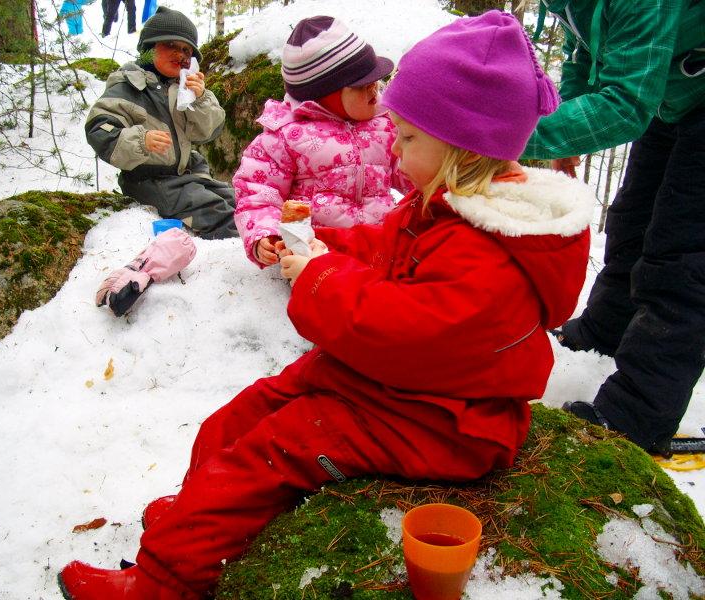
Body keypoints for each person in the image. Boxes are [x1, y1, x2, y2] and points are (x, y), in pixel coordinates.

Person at [58, 12, 593, 599]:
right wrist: (320, 241)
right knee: (239, 417)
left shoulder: (489, 249)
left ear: (462, 148)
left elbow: (400, 328)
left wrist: (318, 276)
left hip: (444, 420)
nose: (395, 145)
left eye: (409, 138)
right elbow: (383, 245)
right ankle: (197, 515)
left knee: (270, 448)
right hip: (402, 389)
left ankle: (166, 581)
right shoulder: (449, 202)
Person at [522, 0, 705, 455]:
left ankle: (636, 417)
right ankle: (603, 333)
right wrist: (570, 119)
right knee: (631, 224)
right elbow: (585, 53)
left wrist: (505, 134)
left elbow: (625, 104)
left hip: (666, 96)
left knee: (681, 255)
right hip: (671, 97)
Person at [232, 15, 410, 268]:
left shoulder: (385, 125)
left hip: (379, 243)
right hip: (317, 251)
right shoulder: (286, 135)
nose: (376, 90)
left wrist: (446, 178)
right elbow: (257, 194)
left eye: (376, 82)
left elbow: (411, 171)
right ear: (327, 94)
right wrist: (265, 234)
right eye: (364, 85)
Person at [86, 7, 238, 240]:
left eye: (186, 50)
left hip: (188, 174)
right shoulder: (129, 87)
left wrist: (200, 100)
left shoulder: (184, 88)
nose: (180, 55)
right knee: (215, 211)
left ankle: (263, 230)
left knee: (236, 199)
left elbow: (208, 132)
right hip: (148, 181)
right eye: (170, 45)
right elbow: (99, 129)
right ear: (148, 48)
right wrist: (141, 140)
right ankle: (245, 248)